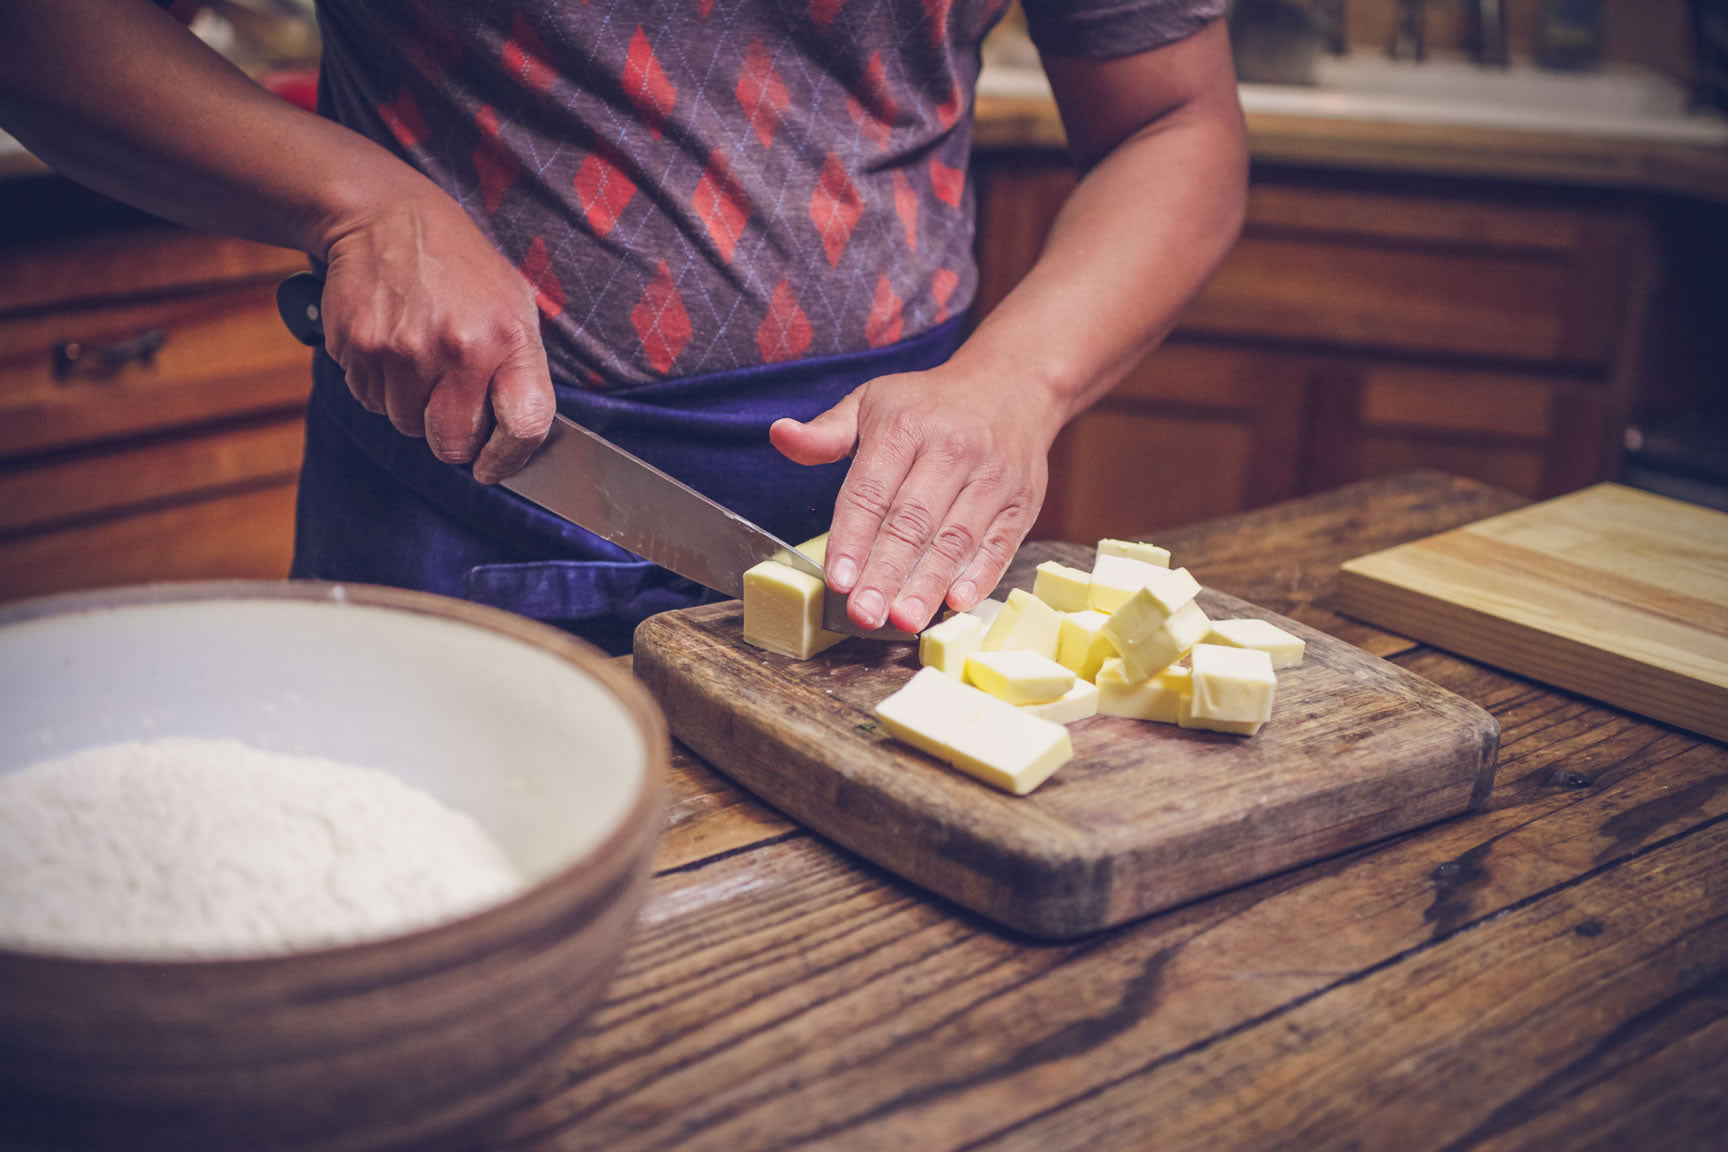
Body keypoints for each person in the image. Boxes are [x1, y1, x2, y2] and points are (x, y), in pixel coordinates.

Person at [0, 0, 1246, 654]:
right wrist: (352, 197)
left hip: (898, 552)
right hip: (455, 501)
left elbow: (1175, 124)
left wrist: (1016, 385)